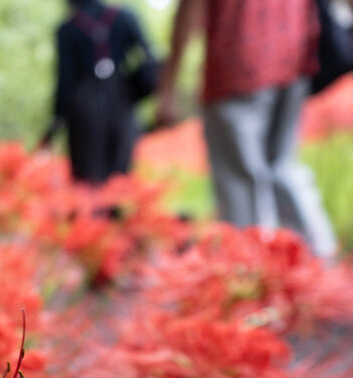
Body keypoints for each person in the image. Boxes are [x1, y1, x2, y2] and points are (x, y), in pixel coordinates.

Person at [156, 0, 338, 260]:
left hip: (237, 65)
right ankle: (320, 259)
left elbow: (191, 10)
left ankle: (254, 275)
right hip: (293, 58)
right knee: (282, 166)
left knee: (240, 182)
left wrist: (168, 85)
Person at [41, 0, 158, 185]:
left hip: (83, 103)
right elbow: (149, 55)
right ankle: (116, 210)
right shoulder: (124, 16)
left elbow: (64, 81)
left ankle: (92, 211)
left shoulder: (67, 29)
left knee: (88, 174)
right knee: (120, 170)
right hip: (121, 97)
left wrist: (57, 121)